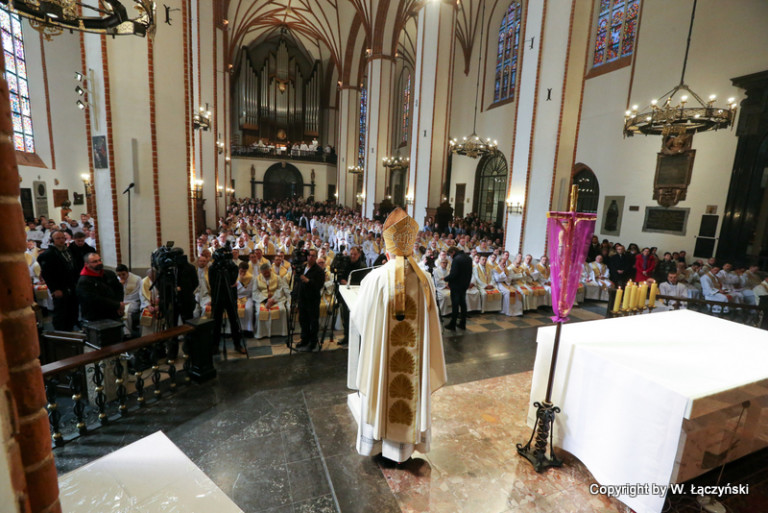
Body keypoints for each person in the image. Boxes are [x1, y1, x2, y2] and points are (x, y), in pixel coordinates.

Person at [352, 207, 447, 462]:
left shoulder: (375, 278)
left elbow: (360, 319)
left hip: (385, 362)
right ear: (411, 248)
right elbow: (432, 324)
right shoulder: (425, 279)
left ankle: (378, 445)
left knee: (383, 386)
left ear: (387, 251)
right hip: (414, 363)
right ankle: (405, 449)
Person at [37, 231, 80, 331]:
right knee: (61, 311)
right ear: (52, 240)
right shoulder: (48, 254)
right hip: (59, 287)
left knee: (73, 309)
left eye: (62, 238)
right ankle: (60, 332)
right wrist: (54, 289)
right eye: (58, 238)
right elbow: (47, 274)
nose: (61, 240)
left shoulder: (68, 250)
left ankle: (71, 329)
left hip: (72, 284)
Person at [76, 253, 125, 323]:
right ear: (87, 264)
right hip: (96, 316)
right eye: (95, 262)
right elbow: (94, 300)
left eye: (99, 260)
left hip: (114, 312)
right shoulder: (84, 281)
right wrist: (117, 305)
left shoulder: (109, 273)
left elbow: (118, 289)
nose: (99, 263)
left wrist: (120, 304)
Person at [334, 246, 366, 345]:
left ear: (359, 255)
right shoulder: (346, 264)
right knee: (345, 316)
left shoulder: (362, 266)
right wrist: (341, 280)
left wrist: (348, 283)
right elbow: (340, 276)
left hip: (356, 295)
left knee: (355, 318)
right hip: (345, 294)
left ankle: (356, 339)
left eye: (355, 254)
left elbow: (363, 283)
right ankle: (347, 336)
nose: (352, 256)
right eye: (351, 254)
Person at [295, 248, 325, 352]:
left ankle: (313, 342)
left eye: (313, 256)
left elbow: (319, 285)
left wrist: (308, 281)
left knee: (313, 321)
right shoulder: (303, 267)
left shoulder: (319, 271)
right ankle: (304, 339)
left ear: (316, 257)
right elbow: (297, 280)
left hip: (312, 300)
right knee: (303, 320)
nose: (310, 257)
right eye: (309, 255)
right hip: (302, 298)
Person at [444, 246, 472, 330]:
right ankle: (463, 323)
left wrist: (446, 278)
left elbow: (454, 274)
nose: (451, 257)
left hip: (456, 285)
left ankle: (453, 324)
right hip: (464, 285)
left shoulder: (456, 259)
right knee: (463, 304)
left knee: (455, 305)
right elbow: (470, 273)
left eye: (450, 255)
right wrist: (467, 283)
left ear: (453, 252)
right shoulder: (468, 258)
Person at [116, 264, 142, 336]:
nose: (121, 277)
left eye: (123, 274)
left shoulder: (137, 279)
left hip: (133, 302)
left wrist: (127, 301)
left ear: (127, 272)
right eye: (119, 275)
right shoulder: (117, 279)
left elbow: (139, 293)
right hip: (121, 302)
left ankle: (127, 332)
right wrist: (120, 286)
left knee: (126, 312)